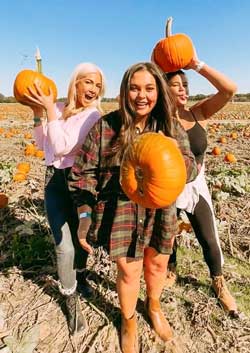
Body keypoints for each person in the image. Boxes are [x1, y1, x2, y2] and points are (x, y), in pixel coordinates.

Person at [68, 62, 198, 352]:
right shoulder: (106, 126)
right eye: (134, 88)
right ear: (125, 91)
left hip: (161, 209)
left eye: (149, 88)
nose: (142, 95)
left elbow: (190, 169)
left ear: (158, 92)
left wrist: (173, 154)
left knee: (158, 263)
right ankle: (128, 320)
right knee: (128, 271)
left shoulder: (169, 127)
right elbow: (82, 174)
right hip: (121, 212)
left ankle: (153, 306)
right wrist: (85, 214)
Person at [24, 62, 106, 334]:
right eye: (88, 82)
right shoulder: (58, 108)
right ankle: (70, 299)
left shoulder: (92, 117)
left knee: (81, 238)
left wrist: (49, 110)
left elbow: (62, 145)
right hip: (53, 181)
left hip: (79, 182)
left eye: (97, 84)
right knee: (64, 247)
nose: (93, 88)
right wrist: (39, 113)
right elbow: (44, 145)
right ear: (76, 84)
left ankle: (81, 276)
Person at [164, 49, 238, 316]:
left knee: (209, 238)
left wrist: (197, 64)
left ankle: (219, 283)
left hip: (195, 186)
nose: (183, 90)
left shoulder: (199, 113)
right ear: (164, 88)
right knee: (167, 235)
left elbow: (229, 89)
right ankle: (170, 269)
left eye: (186, 85)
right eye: (176, 85)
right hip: (165, 188)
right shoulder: (156, 119)